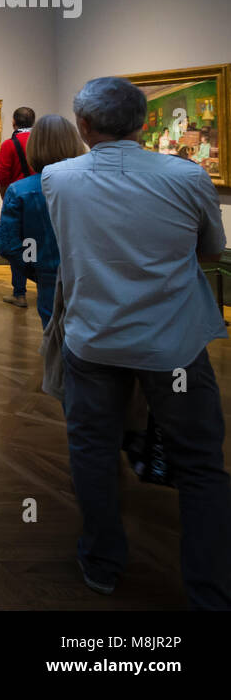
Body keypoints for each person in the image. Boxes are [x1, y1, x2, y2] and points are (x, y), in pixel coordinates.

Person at [42, 76, 230, 607]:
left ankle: (102, 562)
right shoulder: (188, 176)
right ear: (146, 122)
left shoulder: (58, 178)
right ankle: (210, 591)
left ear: (82, 125)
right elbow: (212, 253)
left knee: (93, 451)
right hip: (173, 343)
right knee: (199, 464)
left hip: (93, 339)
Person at [0, 115, 84, 330]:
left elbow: (8, 244)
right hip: (92, 273)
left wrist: (34, 267)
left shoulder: (20, 190)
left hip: (49, 272)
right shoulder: (95, 183)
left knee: (54, 335)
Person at [0, 106, 36, 308]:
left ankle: (20, 293)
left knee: (17, 246)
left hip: (18, 201)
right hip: (41, 200)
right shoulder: (40, 142)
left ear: (14, 122)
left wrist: (7, 201)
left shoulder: (9, 145)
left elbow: (2, 178)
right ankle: (43, 285)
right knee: (36, 242)